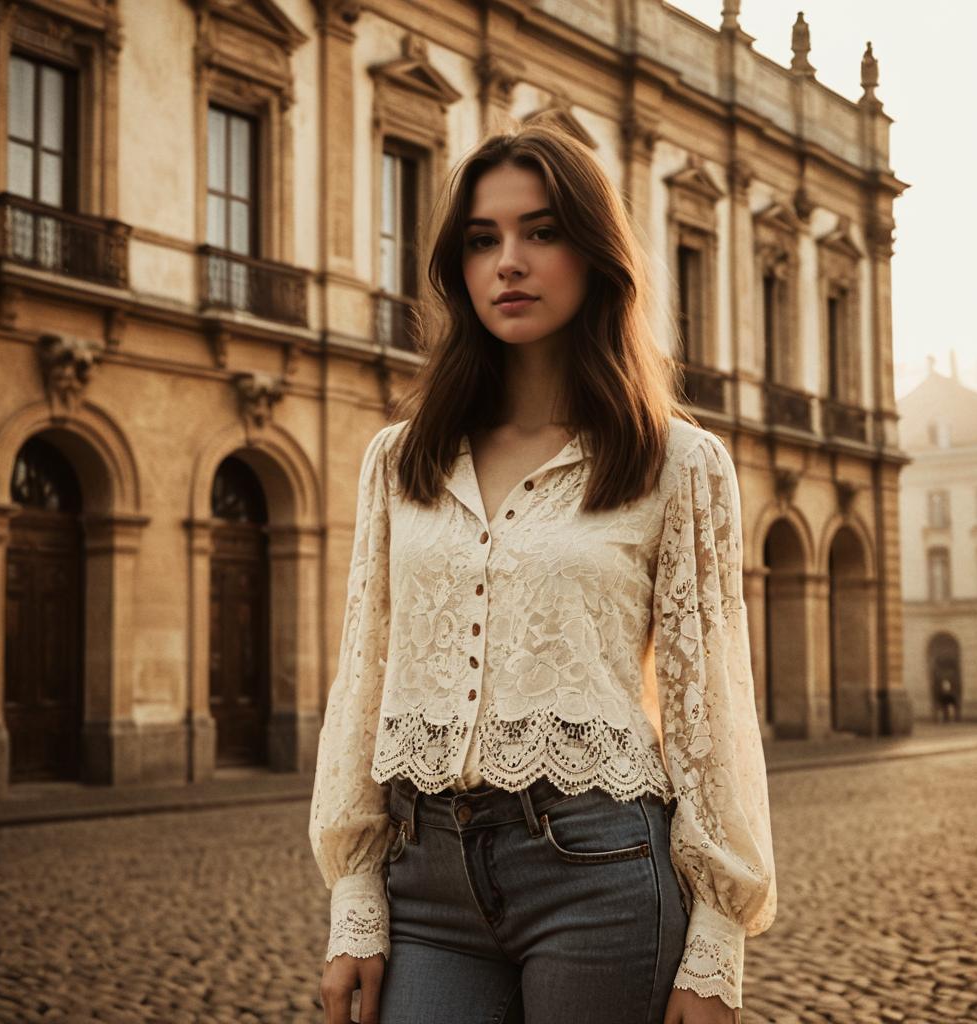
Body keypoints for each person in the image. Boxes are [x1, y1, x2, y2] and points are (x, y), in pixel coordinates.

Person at [309, 121, 776, 1024]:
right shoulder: (401, 460)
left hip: (600, 873)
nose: (508, 262)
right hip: (427, 878)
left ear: (596, 254)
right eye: (483, 240)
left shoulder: (677, 463)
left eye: (542, 231)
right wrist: (355, 901)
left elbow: (710, 704)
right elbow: (362, 677)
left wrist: (717, 942)